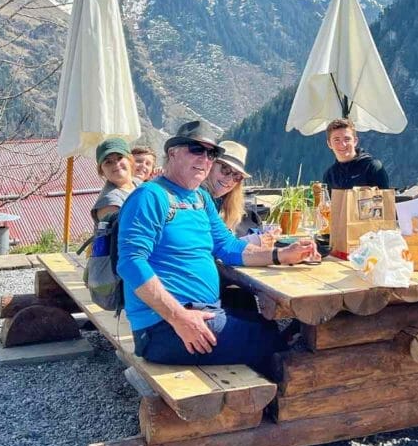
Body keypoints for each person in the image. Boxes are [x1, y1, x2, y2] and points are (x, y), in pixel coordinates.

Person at [115, 121, 316, 371]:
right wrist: (180, 318)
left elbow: (228, 248)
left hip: (201, 310)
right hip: (163, 326)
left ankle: (263, 398)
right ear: (173, 153)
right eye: (196, 150)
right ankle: (271, 407)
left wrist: (282, 254)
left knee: (265, 324)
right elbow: (131, 262)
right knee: (277, 344)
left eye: (211, 154)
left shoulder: (200, 198)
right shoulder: (150, 196)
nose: (205, 159)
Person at [202, 140, 261, 241]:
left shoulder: (232, 209)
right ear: (210, 166)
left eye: (237, 176)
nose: (229, 179)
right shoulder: (196, 200)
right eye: (225, 169)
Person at [321, 118, 389, 190]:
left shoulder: (372, 167)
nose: (342, 144)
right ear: (329, 144)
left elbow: (386, 199)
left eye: (347, 139)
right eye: (336, 140)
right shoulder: (329, 175)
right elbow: (327, 200)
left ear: (355, 141)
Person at [91, 138, 139, 223]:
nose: (116, 164)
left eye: (120, 158)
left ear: (130, 160)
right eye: (108, 162)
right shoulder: (109, 201)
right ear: (101, 171)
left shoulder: (138, 182)